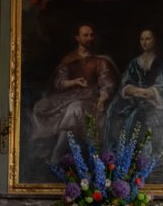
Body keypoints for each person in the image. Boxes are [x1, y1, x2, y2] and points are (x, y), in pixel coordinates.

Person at [30, 24, 118, 162]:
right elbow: (59, 82)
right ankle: (44, 148)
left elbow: (108, 84)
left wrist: (102, 99)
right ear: (77, 38)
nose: (90, 38)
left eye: (92, 35)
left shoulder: (101, 61)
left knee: (74, 108)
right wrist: (74, 82)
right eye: (85, 35)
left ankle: (58, 153)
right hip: (68, 96)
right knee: (41, 107)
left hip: (91, 98)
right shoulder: (69, 60)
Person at [104, 28, 163, 150]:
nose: (144, 42)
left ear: (155, 40)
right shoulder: (135, 62)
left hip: (154, 100)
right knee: (113, 109)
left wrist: (150, 92)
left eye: (148, 39)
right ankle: (114, 153)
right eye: (142, 39)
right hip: (135, 97)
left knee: (137, 115)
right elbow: (126, 82)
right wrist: (134, 90)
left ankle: (135, 156)